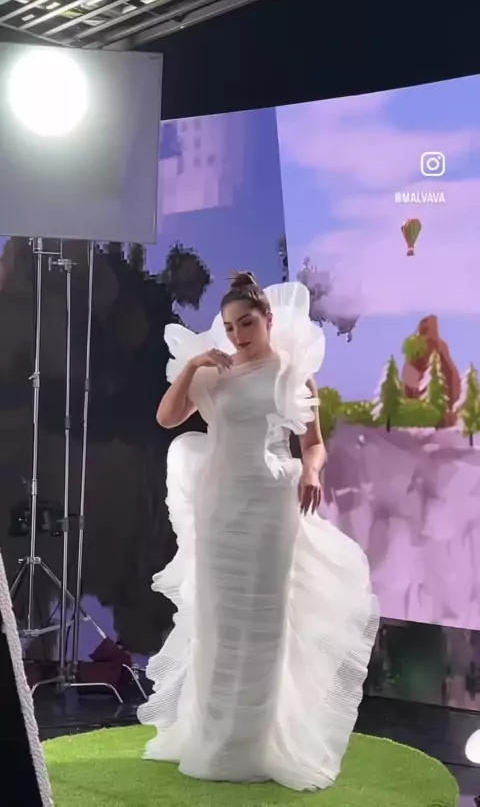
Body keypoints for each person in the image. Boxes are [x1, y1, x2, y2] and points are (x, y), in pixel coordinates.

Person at [138, 272, 379, 791]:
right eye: (229, 327)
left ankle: (252, 746)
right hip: (219, 504)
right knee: (218, 619)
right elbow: (167, 418)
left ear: (268, 319)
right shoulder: (214, 371)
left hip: (271, 503)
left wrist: (312, 472)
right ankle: (212, 739)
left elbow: (313, 444)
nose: (238, 335)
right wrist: (194, 365)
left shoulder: (293, 373)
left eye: (246, 323)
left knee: (262, 619)